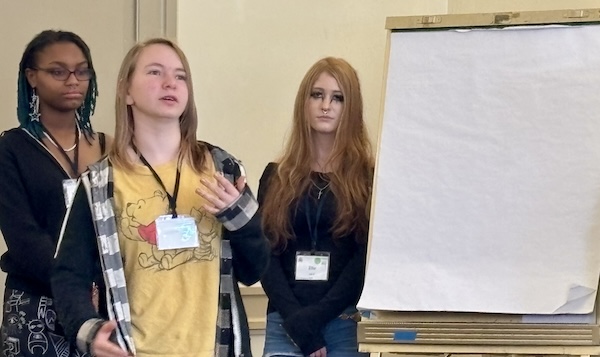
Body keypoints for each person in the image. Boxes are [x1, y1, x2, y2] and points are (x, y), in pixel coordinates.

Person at [51, 38, 269, 357]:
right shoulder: (100, 183)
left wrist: (238, 219)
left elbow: (255, 270)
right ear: (127, 91)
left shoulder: (223, 169)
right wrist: (88, 329)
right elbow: (67, 274)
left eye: (180, 76)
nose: (170, 83)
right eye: (155, 72)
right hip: (135, 350)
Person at [0, 30, 110, 357]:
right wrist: (74, 288)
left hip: (103, 305)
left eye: (82, 70)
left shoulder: (111, 148)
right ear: (32, 77)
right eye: (58, 71)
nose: (73, 80)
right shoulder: (11, 149)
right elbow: (23, 236)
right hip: (37, 303)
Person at [258, 57, 374, 357]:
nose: (326, 105)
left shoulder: (368, 177)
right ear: (303, 102)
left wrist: (315, 318)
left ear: (352, 109)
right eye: (317, 95)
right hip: (286, 320)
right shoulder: (276, 175)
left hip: (344, 319)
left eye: (338, 98)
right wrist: (298, 322)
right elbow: (266, 256)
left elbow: (363, 260)